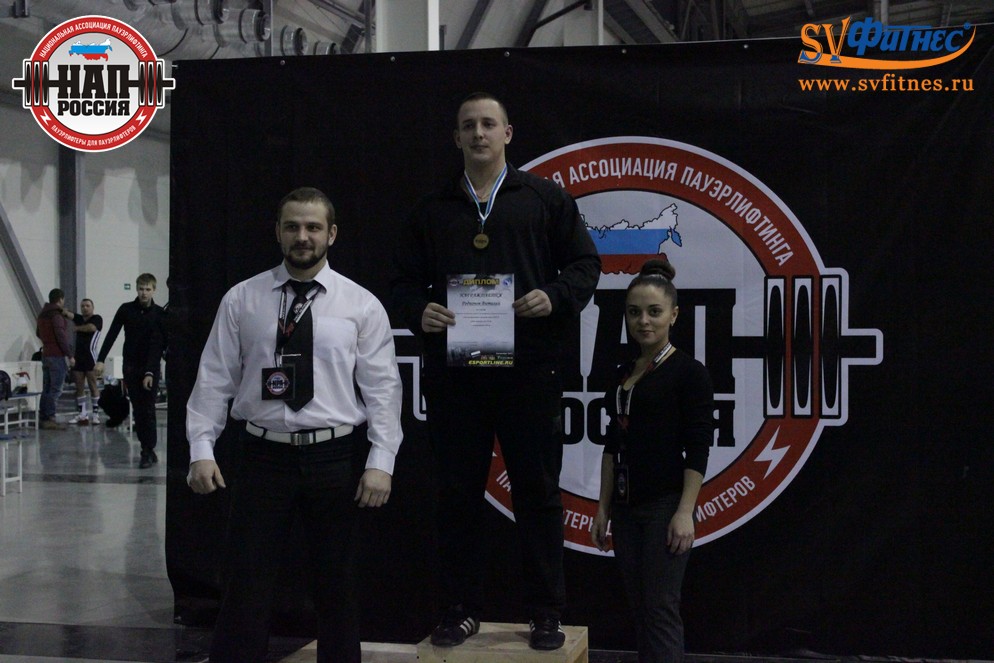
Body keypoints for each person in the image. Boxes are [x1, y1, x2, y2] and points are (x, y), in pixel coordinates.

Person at [390, 92, 600, 651]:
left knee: (538, 491)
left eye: (488, 124)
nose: (478, 133)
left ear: (508, 133)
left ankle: (546, 612)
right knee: (456, 493)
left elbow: (586, 265)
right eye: (468, 125)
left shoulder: (545, 199)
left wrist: (554, 295)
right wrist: (417, 310)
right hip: (456, 376)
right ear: (456, 138)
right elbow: (402, 283)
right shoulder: (432, 209)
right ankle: (459, 609)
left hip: (528, 370)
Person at [186, 187, 403, 663]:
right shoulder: (242, 299)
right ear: (278, 232)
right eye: (292, 227)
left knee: (337, 586)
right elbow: (214, 377)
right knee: (246, 584)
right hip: (262, 457)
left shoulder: (361, 304)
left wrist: (381, 460)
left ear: (332, 234)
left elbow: (384, 389)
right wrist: (201, 447)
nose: (302, 236)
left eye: (312, 227)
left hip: (335, 459)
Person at [591, 258, 714, 663]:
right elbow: (612, 443)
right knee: (641, 608)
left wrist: (685, 512)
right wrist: (603, 508)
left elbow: (699, 447)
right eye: (634, 312)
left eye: (654, 312)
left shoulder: (689, 373)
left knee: (660, 609)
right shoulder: (624, 371)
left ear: (674, 315)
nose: (643, 321)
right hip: (626, 509)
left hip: (665, 505)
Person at [95, 274, 166, 468]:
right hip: (131, 367)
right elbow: (112, 334)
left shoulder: (159, 314)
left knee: (148, 408)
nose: (144, 293)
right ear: (136, 289)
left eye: (148, 289)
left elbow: (158, 345)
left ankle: (148, 449)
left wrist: (150, 372)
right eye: (141, 289)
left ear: (154, 290)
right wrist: (100, 359)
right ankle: (147, 448)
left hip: (150, 367)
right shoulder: (126, 310)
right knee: (139, 408)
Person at [36, 288, 73, 430]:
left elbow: (38, 333)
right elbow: (61, 336)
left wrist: (47, 341)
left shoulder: (42, 314)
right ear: (61, 299)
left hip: (45, 354)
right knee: (56, 389)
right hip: (56, 355)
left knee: (46, 388)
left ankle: (43, 417)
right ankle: (50, 418)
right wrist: (69, 355)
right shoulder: (56, 315)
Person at [68, 298, 103, 425]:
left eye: (87, 306)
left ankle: (96, 414)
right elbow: (68, 314)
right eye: (82, 306)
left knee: (93, 385)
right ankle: (82, 414)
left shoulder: (97, 318)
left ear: (92, 307)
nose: (85, 308)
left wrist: (77, 328)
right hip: (78, 357)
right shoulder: (79, 318)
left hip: (91, 357)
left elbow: (91, 328)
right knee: (79, 386)